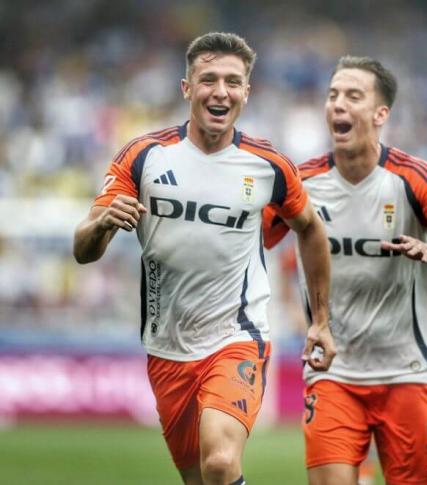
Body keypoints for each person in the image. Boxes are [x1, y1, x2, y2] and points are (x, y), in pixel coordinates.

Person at [73, 32, 335, 485]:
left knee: (219, 462)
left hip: (238, 335)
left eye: (233, 81)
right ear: (187, 88)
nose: (220, 91)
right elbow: (83, 250)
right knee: (201, 479)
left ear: (247, 92)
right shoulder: (143, 157)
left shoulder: (268, 165)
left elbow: (310, 228)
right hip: (167, 347)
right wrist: (101, 225)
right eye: (208, 79)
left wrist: (321, 319)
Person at [263, 56, 427, 484]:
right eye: (332, 96)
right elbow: (251, 240)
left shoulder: (412, 178)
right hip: (333, 371)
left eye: (353, 96)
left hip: (408, 371)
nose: (338, 105)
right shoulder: (301, 183)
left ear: (380, 114)